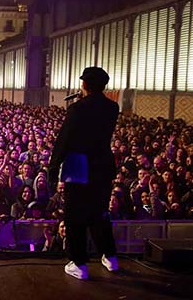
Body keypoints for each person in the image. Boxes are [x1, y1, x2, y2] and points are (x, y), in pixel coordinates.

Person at [49, 67, 119, 280]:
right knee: (99, 213)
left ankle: (79, 263)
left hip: (80, 166)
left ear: (85, 85)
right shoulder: (112, 107)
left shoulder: (77, 109)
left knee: (75, 216)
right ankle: (110, 257)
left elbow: (64, 139)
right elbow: (97, 113)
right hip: (103, 167)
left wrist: (53, 167)